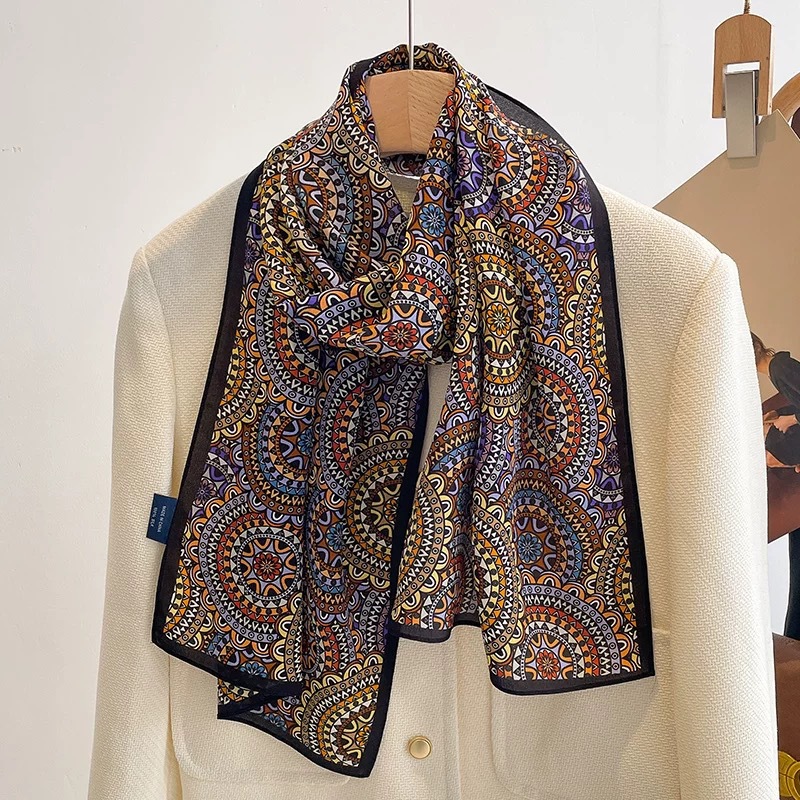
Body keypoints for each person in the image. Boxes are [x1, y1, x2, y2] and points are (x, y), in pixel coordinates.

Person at [752, 332, 800, 470]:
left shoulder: (780, 367)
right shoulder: (775, 370)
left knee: (770, 455)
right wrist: (778, 413)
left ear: (757, 346)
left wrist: (791, 419)